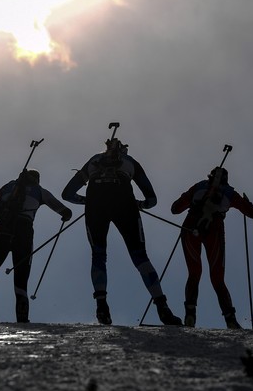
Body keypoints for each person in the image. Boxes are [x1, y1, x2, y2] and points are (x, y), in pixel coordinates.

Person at [62, 137, 183, 326]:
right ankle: (162, 307)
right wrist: (140, 205)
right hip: (124, 204)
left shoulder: (94, 160)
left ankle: (101, 306)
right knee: (140, 257)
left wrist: (86, 202)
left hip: (95, 206)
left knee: (98, 255)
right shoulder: (131, 162)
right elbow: (152, 199)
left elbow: (67, 194)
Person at [0, 169, 72, 323]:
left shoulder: (8, 186)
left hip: (1, 231)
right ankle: (22, 319)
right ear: (37, 180)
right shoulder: (40, 191)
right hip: (24, 232)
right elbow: (65, 211)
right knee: (21, 280)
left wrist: (4, 219)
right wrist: (65, 215)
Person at [170, 167, 253, 329]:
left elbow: (175, 209)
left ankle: (190, 314)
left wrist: (188, 199)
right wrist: (248, 202)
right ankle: (230, 319)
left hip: (191, 225)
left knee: (194, 272)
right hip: (214, 229)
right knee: (217, 278)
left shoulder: (199, 186)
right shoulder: (231, 193)